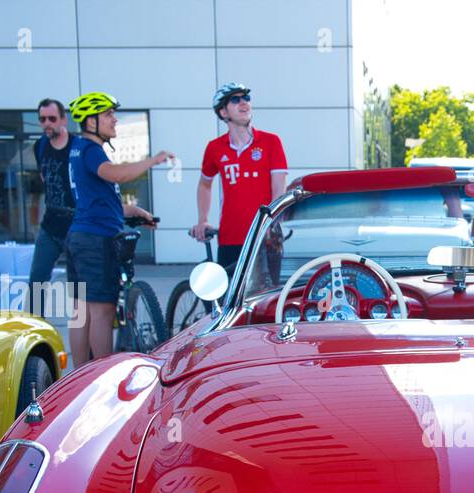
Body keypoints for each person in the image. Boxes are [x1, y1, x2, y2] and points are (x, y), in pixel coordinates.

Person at [65, 91, 172, 367]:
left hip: (80, 236)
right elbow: (115, 174)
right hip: (96, 240)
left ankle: (79, 377)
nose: (115, 120)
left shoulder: (78, 149)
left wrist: (134, 211)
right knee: (102, 312)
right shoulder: (91, 150)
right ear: (90, 121)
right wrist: (152, 160)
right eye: (108, 114)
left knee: (81, 312)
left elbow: (98, 201)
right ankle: (103, 379)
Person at [191, 82, 288, 274]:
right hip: (230, 238)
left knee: (266, 300)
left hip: (265, 237)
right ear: (223, 112)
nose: (244, 103)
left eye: (246, 98)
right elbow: (204, 184)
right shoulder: (215, 148)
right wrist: (203, 220)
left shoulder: (271, 142)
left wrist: (272, 223)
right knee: (228, 299)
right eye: (235, 100)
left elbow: (279, 190)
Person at [29, 98, 74, 317]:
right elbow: (44, 178)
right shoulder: (40, 146)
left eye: (52, 119)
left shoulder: (77, 147)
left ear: (63, 120)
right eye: (42, 119)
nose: (47, 123)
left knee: (79, 289)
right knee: (36, 282)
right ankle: (35, 335)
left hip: (75, 226)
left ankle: (88, 344)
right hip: (50, 225)